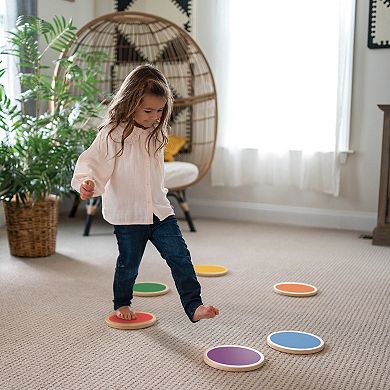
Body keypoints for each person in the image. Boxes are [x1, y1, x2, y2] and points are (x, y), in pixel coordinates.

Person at [71, 64, 219, 323]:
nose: (154, 116)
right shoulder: (113, 134)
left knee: (180, 257)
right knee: (129, 264)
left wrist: (155, 119)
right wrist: (87, 183)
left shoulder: (157, 132)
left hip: (159, 210)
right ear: (130, 104)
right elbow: (93, 163)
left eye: (160, 110)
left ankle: (194, 305)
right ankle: (122, 302)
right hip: (128, 215)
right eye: (148, 110)